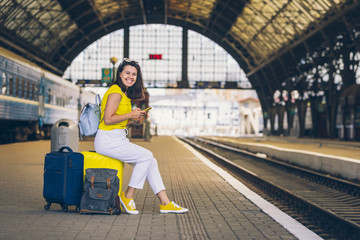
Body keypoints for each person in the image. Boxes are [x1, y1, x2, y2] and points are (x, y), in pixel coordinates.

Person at [94, 58, 188, 214]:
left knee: (151, 161)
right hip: (107, 140)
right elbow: (108, 119)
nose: (130, 76)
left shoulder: (123, 92)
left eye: (134, 74)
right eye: (127, 73)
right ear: (120, 73)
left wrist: (131, 118)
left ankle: (165, 202)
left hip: (116, 138)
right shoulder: (116, 91)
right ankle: (128, 195)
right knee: (146, 156)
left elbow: (117, 120)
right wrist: (130, 114)